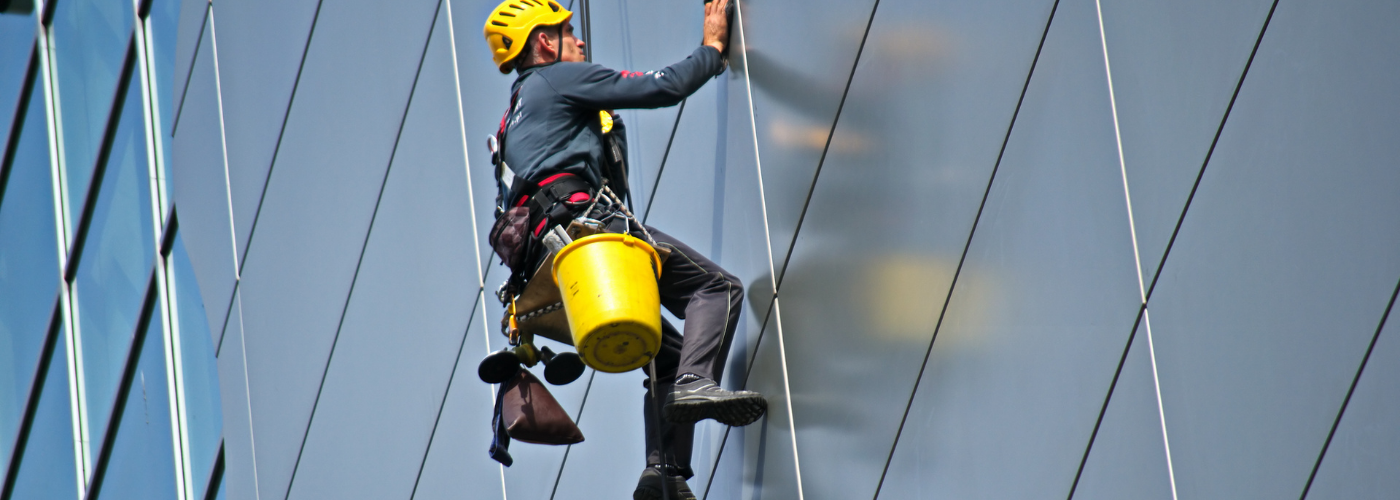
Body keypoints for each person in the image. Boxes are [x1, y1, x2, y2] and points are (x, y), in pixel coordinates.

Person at [481, 1, 766, 499]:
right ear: (544, 44)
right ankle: (697, 381)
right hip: (586, 237)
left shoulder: (510, 126)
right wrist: (713, 49)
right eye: (568, 32)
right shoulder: (557, 81)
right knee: (717, 289)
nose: (580, 41)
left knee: (666, 351)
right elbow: (662, 86)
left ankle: (664, 474)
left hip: (550, 276)